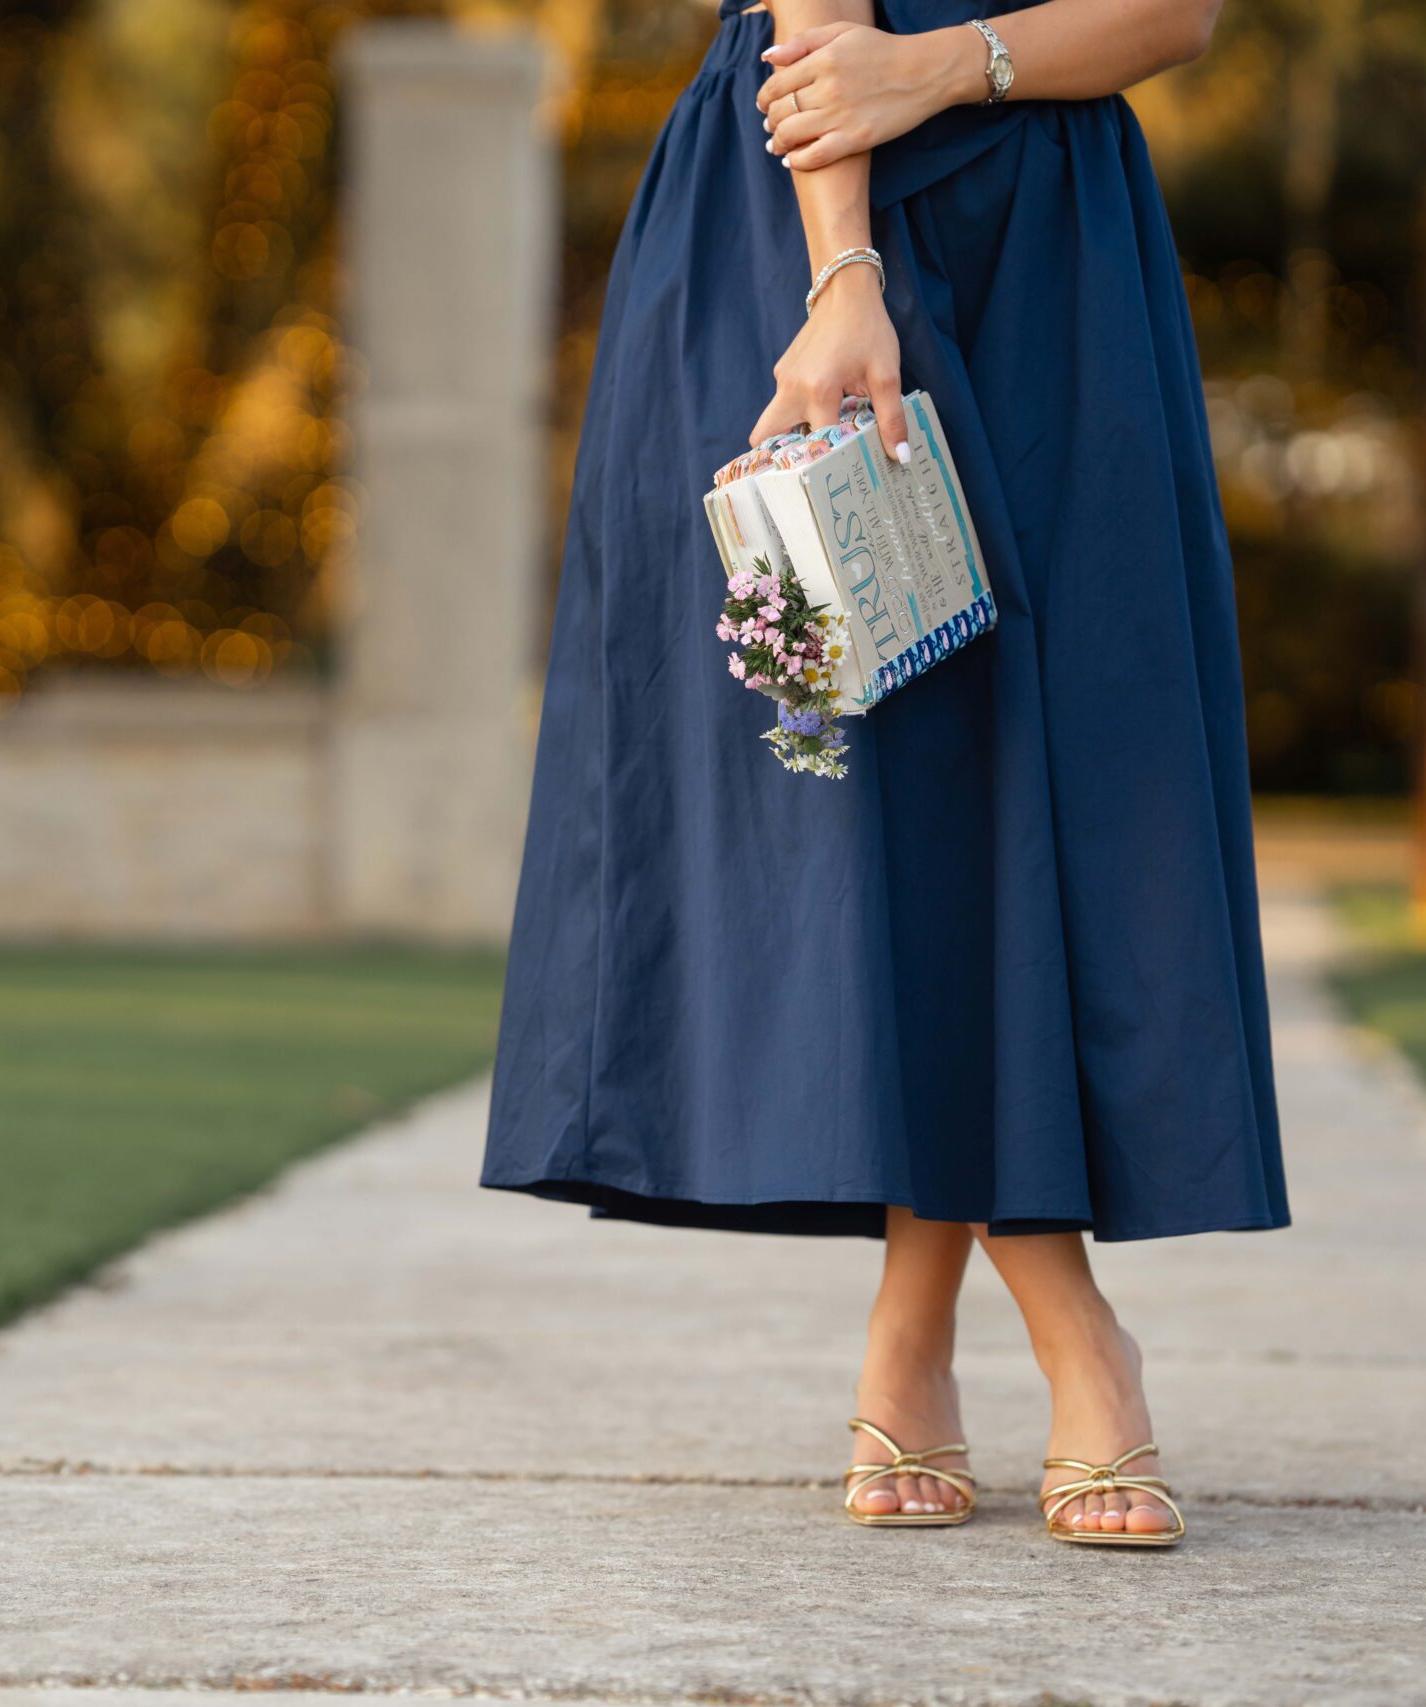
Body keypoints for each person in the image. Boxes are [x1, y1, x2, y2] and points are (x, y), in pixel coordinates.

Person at [479, 0, 1283, 1548]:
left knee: (1030, 777)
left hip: (1049, 234)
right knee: (868, 780)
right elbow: (819, 15)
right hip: (796, 208)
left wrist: (945, 66)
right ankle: (1069, 1330)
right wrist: (845, 266)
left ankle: (914, 1339)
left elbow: (1178, 12)